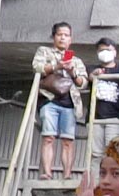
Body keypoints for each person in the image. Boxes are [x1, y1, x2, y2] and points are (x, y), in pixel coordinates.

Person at [34, 22, 88, 180]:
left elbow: (83, 83)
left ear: (71, 39)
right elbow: (37, 67)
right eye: (59, 34)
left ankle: (67, 175)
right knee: (48, 137)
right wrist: (56, 66)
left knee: (67, 141)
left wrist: (72, 72)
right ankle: (47, 172)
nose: (63, 38)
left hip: (70, 104)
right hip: (49, 100)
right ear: (54, 37)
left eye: (66, 35)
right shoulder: (44, 51)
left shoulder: (76, 60)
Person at [89, 37, 119, 177]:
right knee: (96, 154)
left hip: (115, 117)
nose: (105, 52)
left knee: (113, 154)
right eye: (101, 50)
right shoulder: (93, 68)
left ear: (115, 52)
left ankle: (112, 183)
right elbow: (90, 77)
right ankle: (95, 184)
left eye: (108, 49)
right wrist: (95, 74)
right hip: (95, 118)